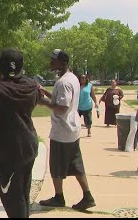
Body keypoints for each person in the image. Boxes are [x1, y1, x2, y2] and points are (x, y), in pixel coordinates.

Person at [0, 48, 40, 218]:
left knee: (12, 199)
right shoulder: (31, 86)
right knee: (23, 194)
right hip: (29, 146)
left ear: (1, 67)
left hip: (7, 151)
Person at [38, 49, 96, 211]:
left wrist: (42, 102)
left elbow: (62, 108)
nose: (50, 63)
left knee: (56, 166)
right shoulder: (71, 78)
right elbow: (65, 101)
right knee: (76, 165)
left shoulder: (63, 82)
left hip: (62, 132)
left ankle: (58, 197)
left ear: (62, 62)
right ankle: (87, 196)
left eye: (53, 60)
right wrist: (47, 93)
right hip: (72, 129)